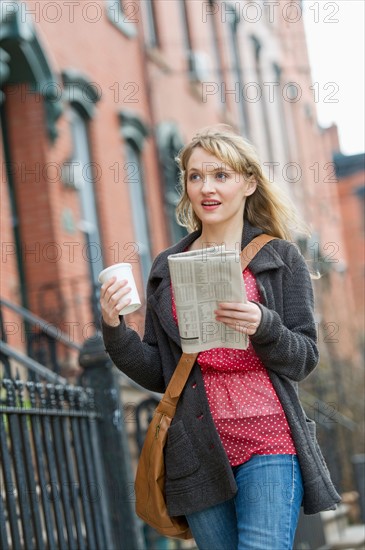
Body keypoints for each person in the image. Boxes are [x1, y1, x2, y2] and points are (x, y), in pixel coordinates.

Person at [100, 126, 340, 550]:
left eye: (220, 175)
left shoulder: (280, 258)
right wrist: (114, 326)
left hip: (269, 438)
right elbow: (159, 371)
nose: (206, 188)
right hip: (197, 448)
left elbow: (304, 357)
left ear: (248, 183)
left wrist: (262, 324)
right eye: (195, 176)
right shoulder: (167, 266)